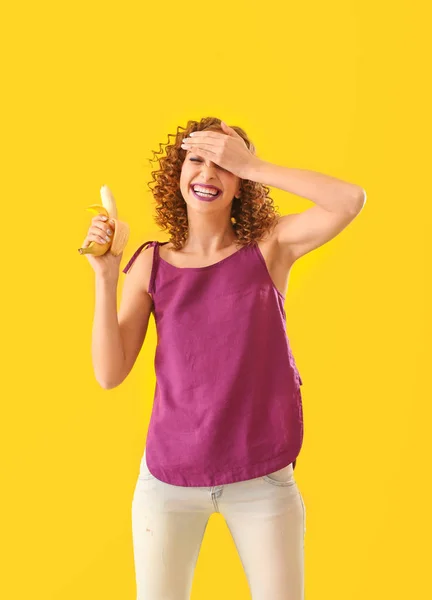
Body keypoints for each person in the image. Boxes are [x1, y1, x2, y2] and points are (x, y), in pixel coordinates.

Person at [81, 117, 365, 599]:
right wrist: (106, 277)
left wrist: (253, 163)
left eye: (224, 162)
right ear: (178, 173)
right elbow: (109, 374)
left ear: (242, 183)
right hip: (168, 479)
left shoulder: (269, 247)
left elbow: (350, 200)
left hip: (261, 476)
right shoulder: (150, 262)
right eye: (197, 158)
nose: (209, 172)